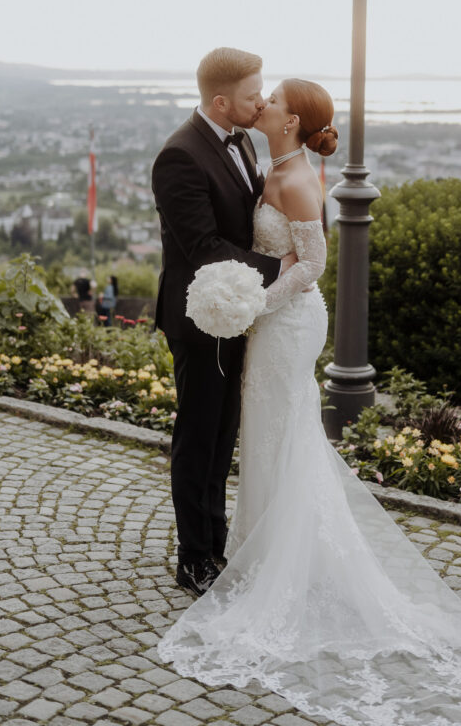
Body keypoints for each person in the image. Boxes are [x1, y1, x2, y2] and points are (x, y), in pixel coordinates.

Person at [157, 78, 461, 726]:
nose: (263, 103)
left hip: (284, 322)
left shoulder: (297, 177)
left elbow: (312, 264)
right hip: (268, 324)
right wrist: (253, 302)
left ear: (291, 121)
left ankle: (283, 561)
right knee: (266, 435)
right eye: (258, 94)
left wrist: (255, 302)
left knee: (281, 434)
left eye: (273, 99)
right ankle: (256, 550)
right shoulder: (270, 159)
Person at [151, 48, 292, 599]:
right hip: (199, 317)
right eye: (253, 95)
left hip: (237, 310)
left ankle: (215, 544)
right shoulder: (179, 156)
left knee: (223, 433)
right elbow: (204, 247)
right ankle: (192, 558)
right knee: (198, 436)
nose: (261, 102)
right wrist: (281, 268)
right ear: (220, 101)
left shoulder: (244, 141)